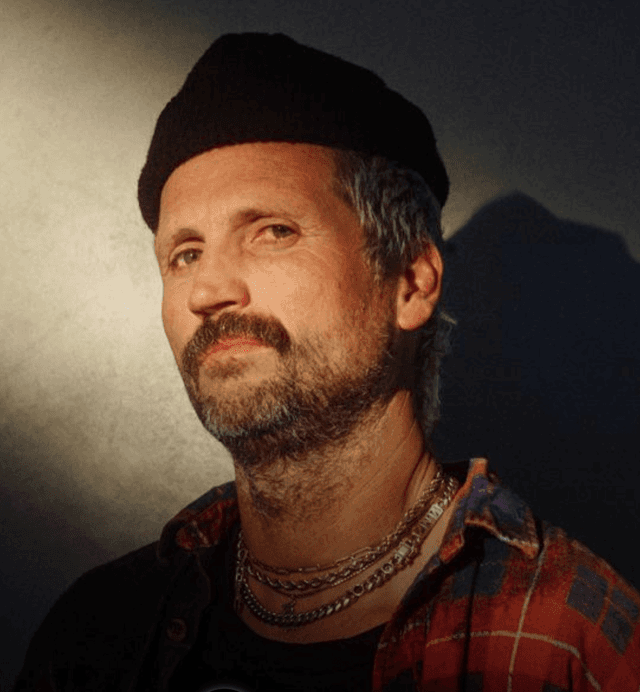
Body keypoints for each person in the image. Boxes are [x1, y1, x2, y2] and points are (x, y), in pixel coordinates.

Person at [13, 33, 640, 692]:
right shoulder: (98, 631)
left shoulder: (569, 643)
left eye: (273, 232)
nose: (206, 290)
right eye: (185, 254)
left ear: (410, 283)